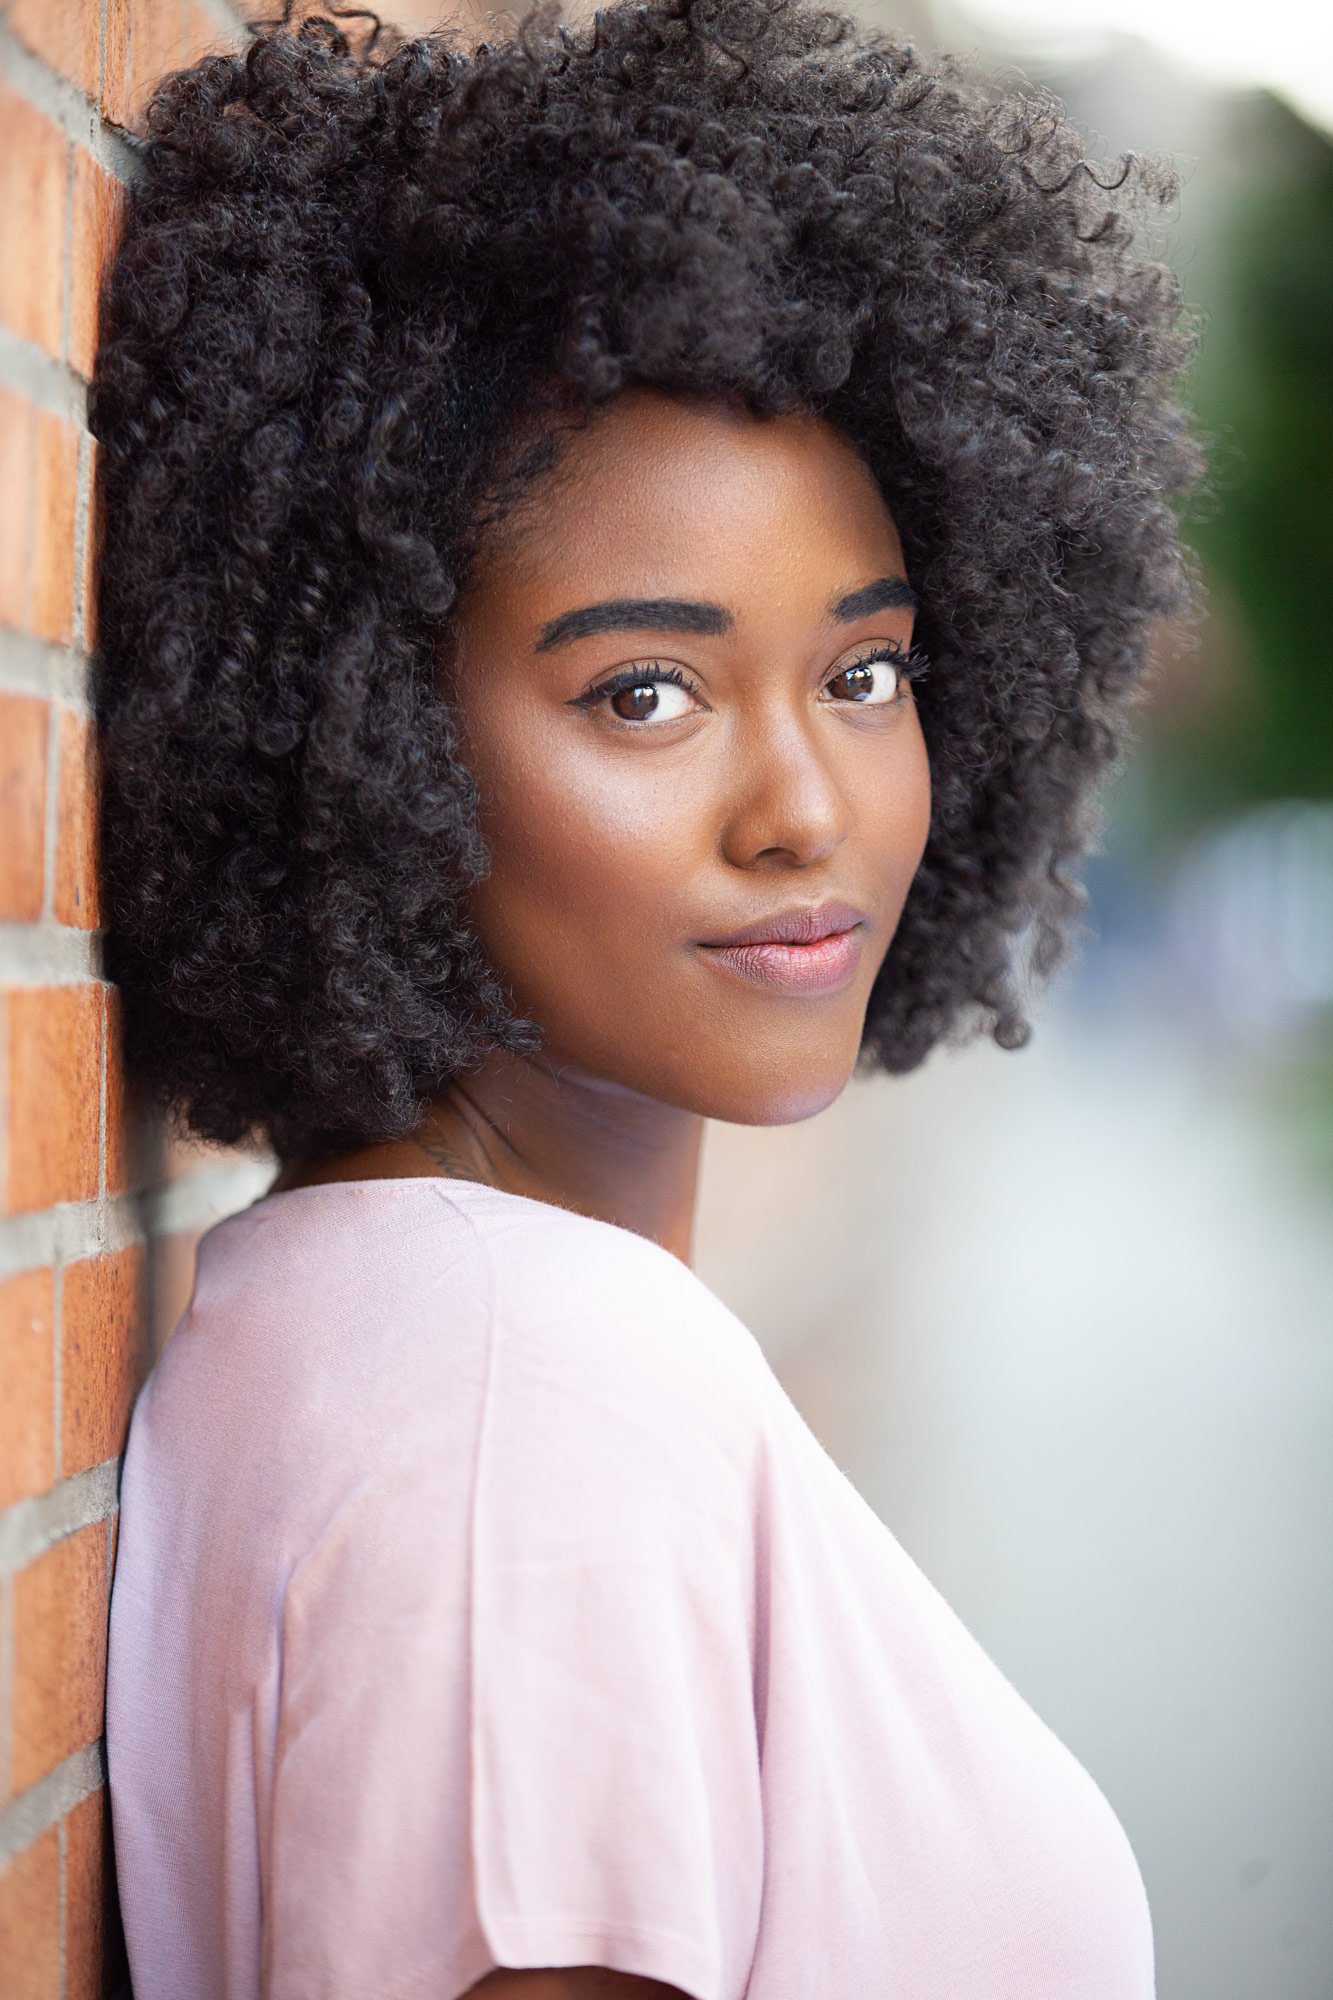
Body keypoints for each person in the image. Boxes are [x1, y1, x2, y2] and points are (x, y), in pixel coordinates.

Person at [95, 1, 1200, 1994]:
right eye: (645, 691)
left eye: (864, 672)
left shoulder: (358, 1315)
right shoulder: (532, 1415)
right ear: (360, 735)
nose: (806, 810)